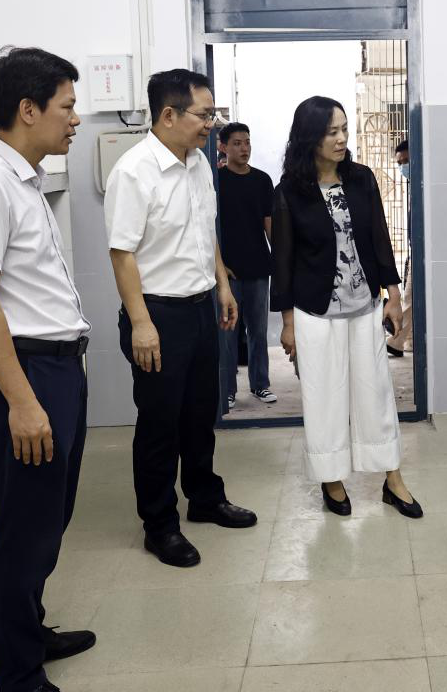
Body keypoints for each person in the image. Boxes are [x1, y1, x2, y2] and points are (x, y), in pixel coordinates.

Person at [0, 47, 95, 692]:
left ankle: (28, 630)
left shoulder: (25, 181)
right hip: (24, 377)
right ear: (28, 109)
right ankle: (18, 675)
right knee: (24, 532)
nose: (76, 120)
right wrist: (23, 402)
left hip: (56, 371)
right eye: (67, 106)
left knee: (47, 521)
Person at [104, 69, 257, 569]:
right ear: (168, 115)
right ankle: (160, 525)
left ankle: (205, 498)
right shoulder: (134, 172)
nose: (211, 124)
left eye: (213, 114)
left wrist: (222, 284)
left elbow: (204, 229)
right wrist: (141, 323)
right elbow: (122, 253)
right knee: (159, 424)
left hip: (200, 306)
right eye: (204, 114)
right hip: (158, 314)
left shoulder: (198, 164)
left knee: (199, 413)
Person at [271, 96, 422, 519]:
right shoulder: (289, 192)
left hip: (364, 306)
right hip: (314, 312)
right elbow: (282, 261)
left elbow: (378, 237)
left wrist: (393, 295)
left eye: (344, 130)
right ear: (310, 138)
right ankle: (331, 478)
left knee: (376, 394)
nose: (341, 139)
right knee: (324, 398)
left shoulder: (360, 179)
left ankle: (392, 479)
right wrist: (287, 323)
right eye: (331, 132)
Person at [217, 122, 277, 408]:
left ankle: (260, 385)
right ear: (223, 147)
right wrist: (218, 268)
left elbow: (269, 223)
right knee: (227, 333)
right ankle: (227, 389)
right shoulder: (217, 181)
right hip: (227, 272)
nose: (244, 148)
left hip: (258, 268)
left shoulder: (262, 181)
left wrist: (281, 258)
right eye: (237, 143)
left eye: (247, 142)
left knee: (258, 331)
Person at [387, 139, 414, 357]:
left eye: (406, 161)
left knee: (411, 297)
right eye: (399, 163)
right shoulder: (414, 186)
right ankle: (407, 340)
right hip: (416, 252)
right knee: (411, 297)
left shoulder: (424, 186)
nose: (403, 166)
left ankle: (396, 341)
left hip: (424, 253)